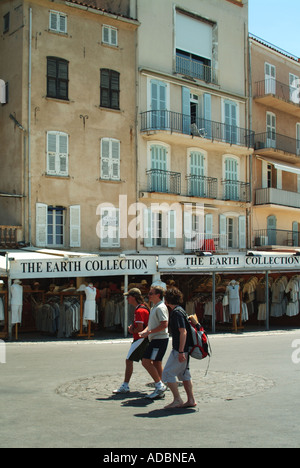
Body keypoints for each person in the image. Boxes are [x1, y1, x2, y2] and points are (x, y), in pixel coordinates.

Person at [162, 287, 197, 409]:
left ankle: (177, 399)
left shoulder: (176, 313)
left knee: (167, 373)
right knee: (184, 374)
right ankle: (191, 399)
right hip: (184, 348)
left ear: (167, 300)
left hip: (180, 349)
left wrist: (181, 351)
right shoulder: (181, 310)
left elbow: (183, 332)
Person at [113, 288, 150, 394]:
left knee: (129, 360)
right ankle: (159, 382)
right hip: (143, 339)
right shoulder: (143, 308)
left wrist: (131, 329)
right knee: (148, 362)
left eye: (128, 297)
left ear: (134, 297)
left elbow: (139, 328)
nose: (127, 299)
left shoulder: (139, 310)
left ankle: (125, 385)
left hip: (140, 339)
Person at [139, 285, 169, 399]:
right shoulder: (154, 307)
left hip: (159, 340)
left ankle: (159, 385)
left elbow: (164, 324)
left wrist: (149, 332)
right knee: (156, 363)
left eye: (151, 293)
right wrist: (145, 331)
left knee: (146, 361)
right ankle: (160, 386)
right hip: (156, 338)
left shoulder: (160, 307)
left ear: (158, 295)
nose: (149, 295)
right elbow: (152, 324)